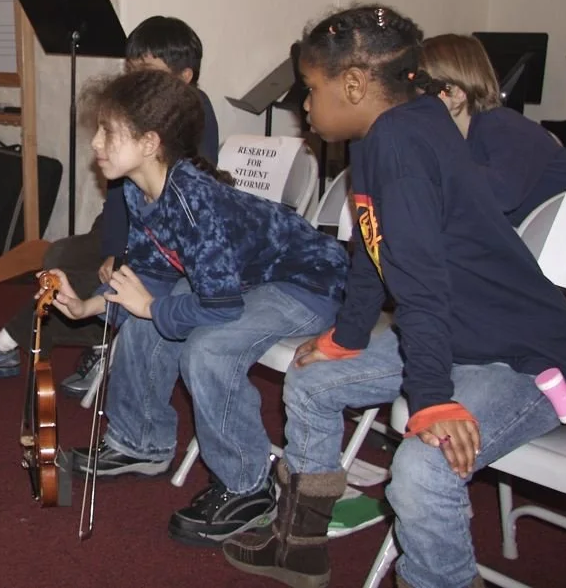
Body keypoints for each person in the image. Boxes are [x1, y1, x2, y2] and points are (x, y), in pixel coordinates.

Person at [224, 5, 566, 588]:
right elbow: (374, 247)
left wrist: (431, 400)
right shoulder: (384, 133)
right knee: (313, 381)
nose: (305, 105)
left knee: (423, 468)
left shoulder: (403, 143)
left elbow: (421, 283)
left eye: (311, 88)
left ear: (354, 85)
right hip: (454, 336)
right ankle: (299, 546)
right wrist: (346, 337)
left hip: (522, 357)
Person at [48, 69, 349, 546]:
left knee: (208, 350)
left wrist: (153, 309)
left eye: (109, 132)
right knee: (148, 320)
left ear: (150, 142)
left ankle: (247, 487)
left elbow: (219, 308)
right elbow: (148, 277)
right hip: (245, 280)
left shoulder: (194, 205)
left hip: (309, 284)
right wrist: (87, 306)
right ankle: (140, 442)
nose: (96, 144)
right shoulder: (138, 190)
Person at [0, 17, 221, 397]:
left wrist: (125, 254)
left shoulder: (195, 114)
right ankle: (97, 340)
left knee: (98, 279)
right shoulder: (137, 107)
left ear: (184, 77)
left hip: (163, 235)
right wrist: (114, 248)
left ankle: (6, 344)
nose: (135, 79)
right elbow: (119, 192)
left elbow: (184, 203)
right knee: (59, 255)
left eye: (148, 70)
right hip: (126, 223)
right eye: (132, 69)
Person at [421, 33, 566, 224]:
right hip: (538, 233)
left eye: (423, 88)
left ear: (457, 94)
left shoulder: (503, 125)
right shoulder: (461, 137)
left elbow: (502, 195)